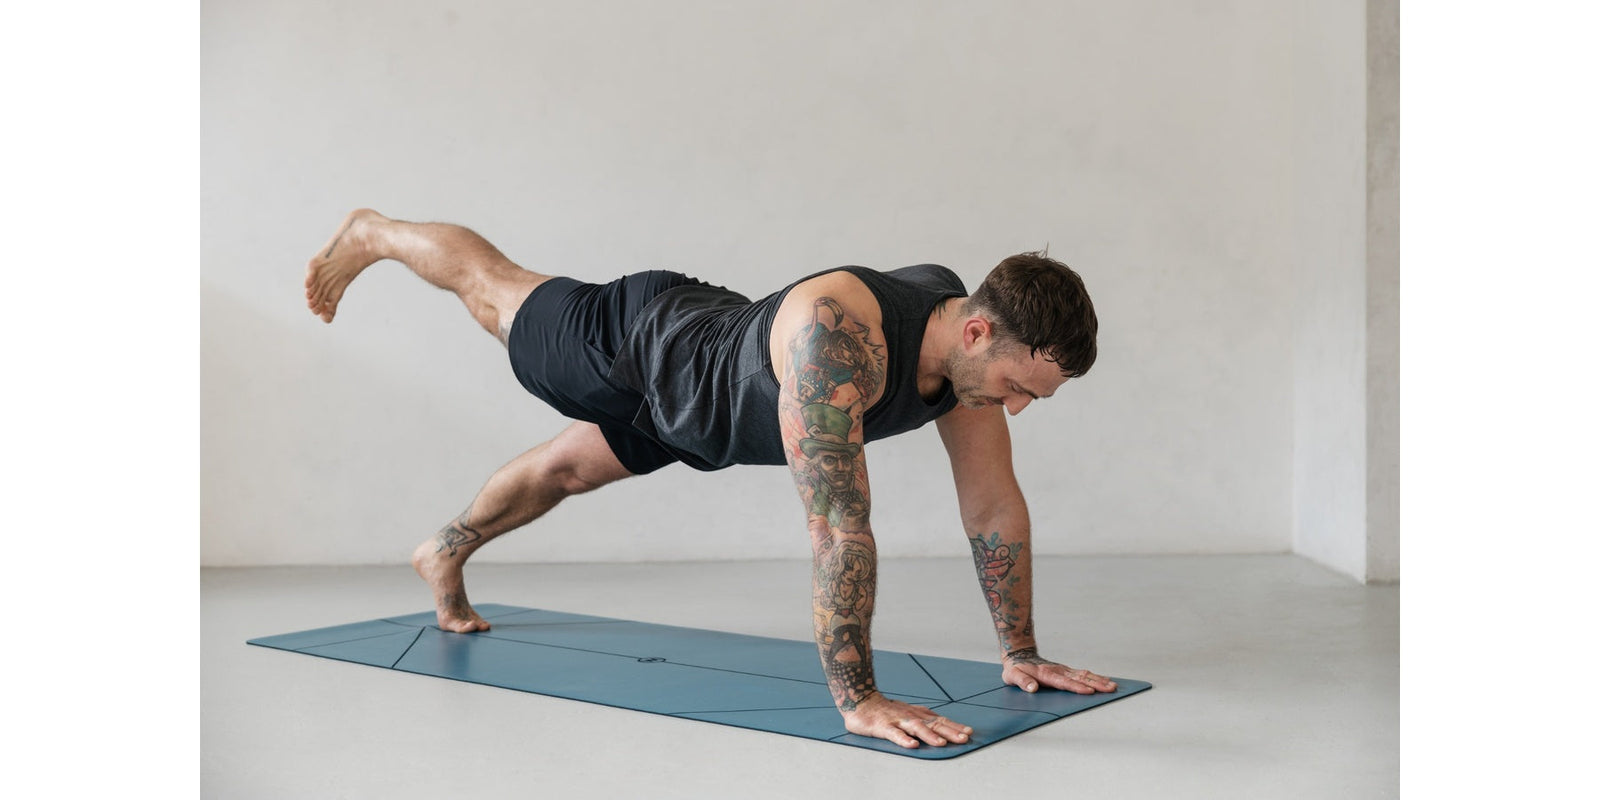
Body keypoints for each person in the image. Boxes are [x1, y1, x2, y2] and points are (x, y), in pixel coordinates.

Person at [303, 208, 1118, 749]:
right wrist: (859, 698)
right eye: (1017, 389)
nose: (1013, 409)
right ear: (978, 329)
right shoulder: (836, 345)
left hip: (707, 407)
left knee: (563, 470)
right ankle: (375, 232)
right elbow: (838, 527)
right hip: (644, 347)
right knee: (495, 291)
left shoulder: (972, 359)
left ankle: (443, 552)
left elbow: (991, 505)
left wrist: (1022, 651)